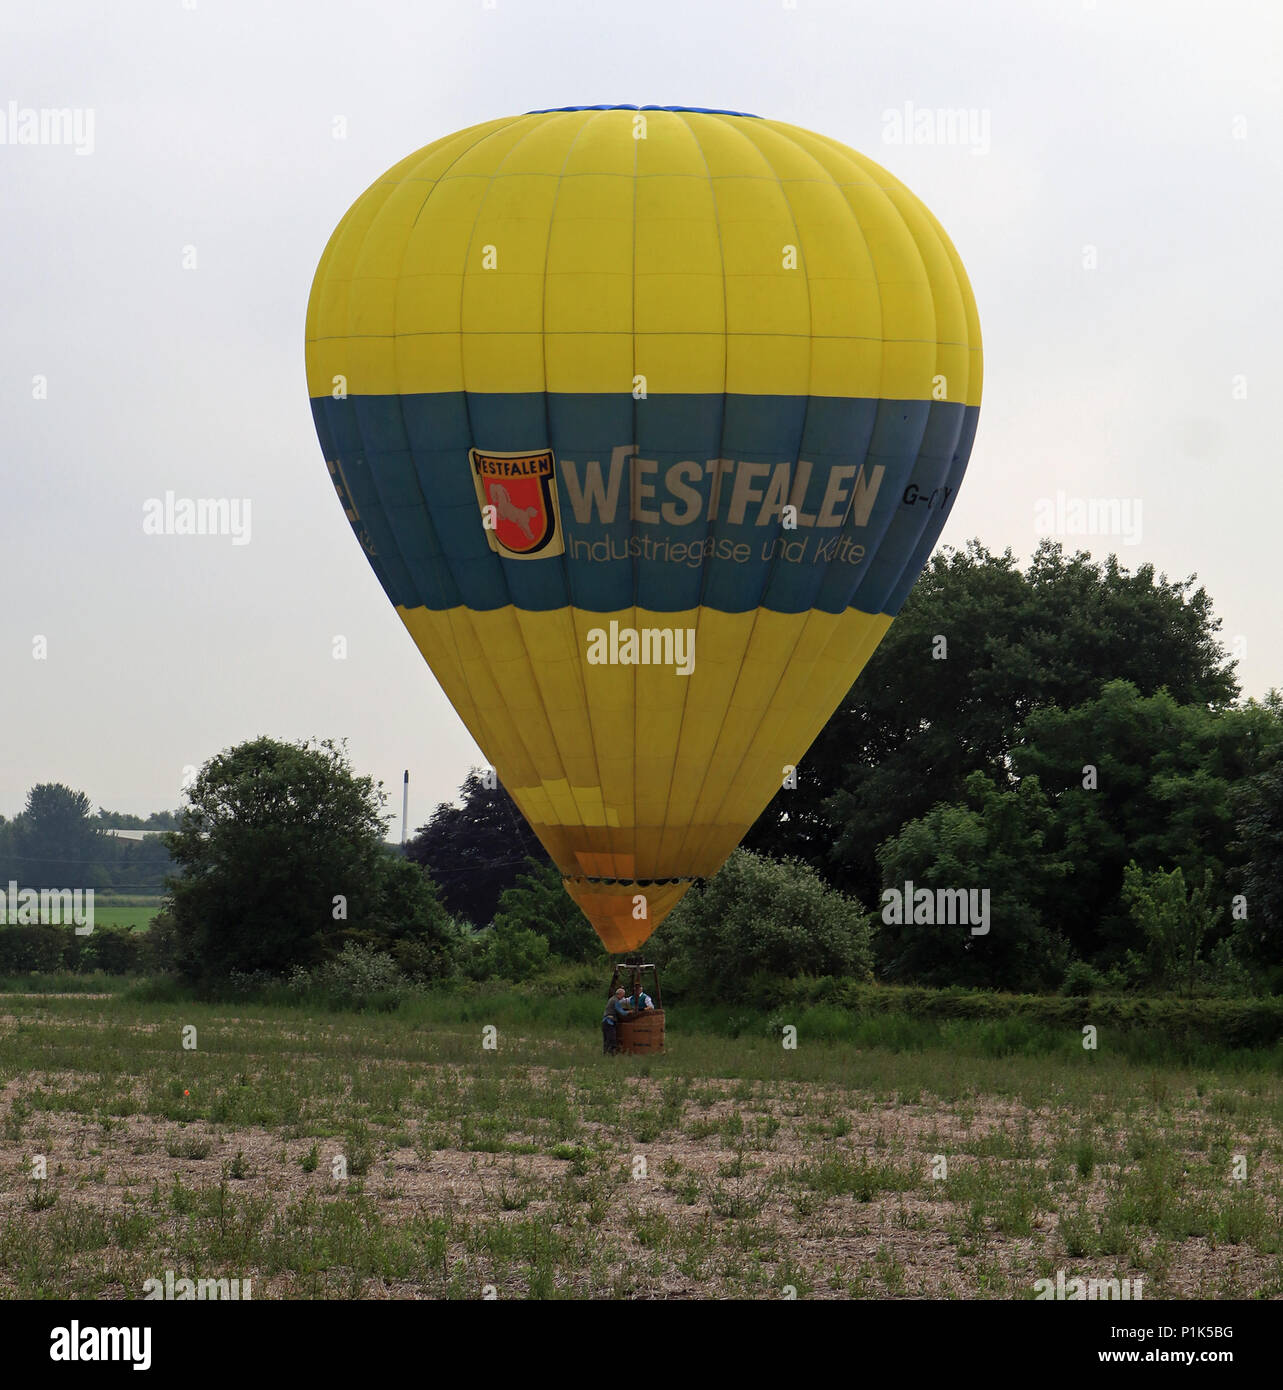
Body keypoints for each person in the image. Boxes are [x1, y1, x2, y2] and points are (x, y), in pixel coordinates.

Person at [601, 987, 632, 1054]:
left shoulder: (611, 999)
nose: (623, 997)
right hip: (609, 1022)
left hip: (605, 1022)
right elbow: (621, 1012)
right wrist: (630, 1012)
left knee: (606, 1040)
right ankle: (611, 1054)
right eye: (623, 995)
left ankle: (605, 1053)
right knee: (612, 1039)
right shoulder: (615, 1001)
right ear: (620, 994)